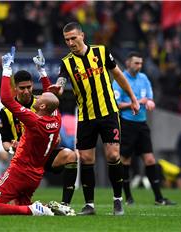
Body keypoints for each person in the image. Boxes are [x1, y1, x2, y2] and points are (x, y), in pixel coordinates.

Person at [49, 22, 140, 216]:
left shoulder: (101, 52)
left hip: (108, 112)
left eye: (73, 38)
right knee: (86, 158)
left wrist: (132, 97)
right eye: (67, 40)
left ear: (82, 35)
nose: (71, 42)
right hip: (86, 116)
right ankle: (89, 204)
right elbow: (62, 80)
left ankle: (117, 200)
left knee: (114, 155)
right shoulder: (66, 62)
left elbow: (118, 74)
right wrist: (58, 87)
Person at [0, 47, 75, 216]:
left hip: (20, 171)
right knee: (16, 206)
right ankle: (47, 208)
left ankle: (32, 209)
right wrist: (42, 72)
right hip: (36, 173)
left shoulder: (34, 120)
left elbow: (6, 99)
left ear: (42, 106)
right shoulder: (56, 117)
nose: (35, 94)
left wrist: (6, 69)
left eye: (40, 96)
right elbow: (51, 96)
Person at [0, 49, 78, 206]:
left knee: (71, 156)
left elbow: (52, 99)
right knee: (18, 205)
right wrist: (13, 148)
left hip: (44, 153)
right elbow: (5, 142)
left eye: (29, 87)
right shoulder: (6, 112)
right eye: (22, 88)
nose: (27, 91)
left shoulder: (41, 103)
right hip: (24, 157)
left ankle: (65, 205)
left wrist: (42, 71)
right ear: (15, 88)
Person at [113, 51, 176, 206]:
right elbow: (116, 104)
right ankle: (127, 197)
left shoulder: (144, 78)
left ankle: (159, 198)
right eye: (136, 63)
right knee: (125, 160)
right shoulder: (120, 80)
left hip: (142, 124)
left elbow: (149, 98)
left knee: (149, 159)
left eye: (140, 63)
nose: (139, 66)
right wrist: (136, 102)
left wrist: (149, 102)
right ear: (128, 63)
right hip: (127, 124)